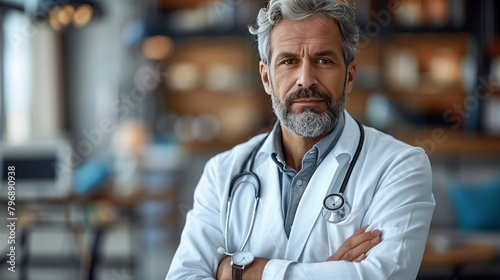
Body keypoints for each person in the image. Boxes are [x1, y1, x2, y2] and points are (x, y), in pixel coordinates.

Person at [165, 0, 435, 279]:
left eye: (323, 60)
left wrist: (240, 273)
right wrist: (328, 271)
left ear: (350, 75)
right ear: (266, 78)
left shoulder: (400, 166)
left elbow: (383, 276)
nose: (306, 79)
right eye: (289, 61)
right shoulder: (222, 173)